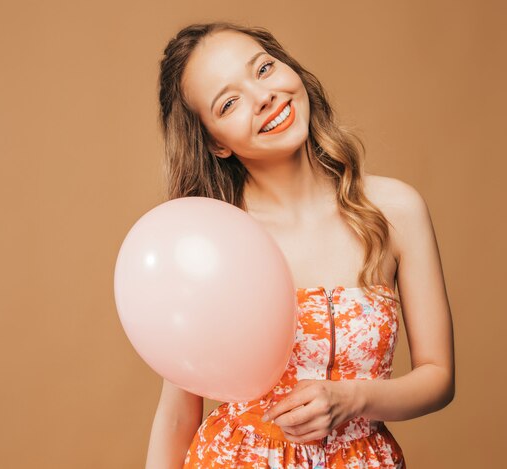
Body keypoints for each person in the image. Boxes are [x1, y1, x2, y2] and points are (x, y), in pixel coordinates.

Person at [145, 21, 455, 469]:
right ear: (216, 142)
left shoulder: (396, 210)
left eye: (264, 69)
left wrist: (354, 398)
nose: (263, 97)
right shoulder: (211, 236)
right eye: (229, 102)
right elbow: (177, 415)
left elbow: (438, 377)